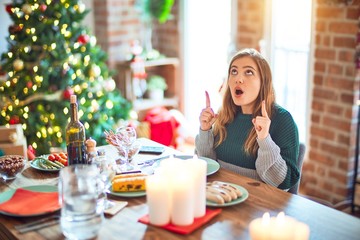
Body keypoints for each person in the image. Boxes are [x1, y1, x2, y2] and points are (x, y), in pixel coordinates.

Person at [195, 48, 300, 191]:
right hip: (220, 194)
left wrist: (264, 139)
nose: (238, 78)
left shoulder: (282, 120)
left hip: (258, 203)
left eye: (248, 72)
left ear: (263, 81)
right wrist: (205, 131)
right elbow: (208, 165)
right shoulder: (224, 114)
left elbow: (283, 183)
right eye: (234, 71)